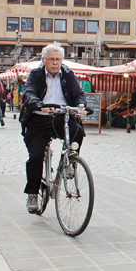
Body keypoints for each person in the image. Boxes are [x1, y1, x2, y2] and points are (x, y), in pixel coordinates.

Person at [20, 43, 87, 214]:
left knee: (78, 131)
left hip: (60, 117)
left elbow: (78, 93)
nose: (55, 63)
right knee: (35, 157)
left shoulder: (67, 74)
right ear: (44, 60)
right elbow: (28, 92)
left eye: (58, 59)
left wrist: (80, 106)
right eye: (51, 59)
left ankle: (71, 159)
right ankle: (33, 194)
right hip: (38, 119)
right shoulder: (35, 74)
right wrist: (38, 104)